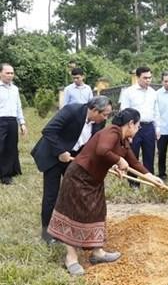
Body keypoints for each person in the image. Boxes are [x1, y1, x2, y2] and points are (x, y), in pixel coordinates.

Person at [47, 108, 163, 276]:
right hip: (79, 177)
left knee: (97, 212)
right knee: (73, 214)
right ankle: (71, 258)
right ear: (130, 124)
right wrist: (118, 160)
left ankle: (97, 252)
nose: (138, 130)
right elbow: (102, 150)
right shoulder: (112, 131)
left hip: (94, 181)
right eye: (137, 126)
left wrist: (151, 177)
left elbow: (133, 162)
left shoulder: (123, 141)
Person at [31, 96, 112, 244]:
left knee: (74, 191)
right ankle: (47, 233)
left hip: (73, 157)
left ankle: (71, 228)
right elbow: (48, 131)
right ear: (94, 110)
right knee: (52, 194)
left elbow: (93, 145)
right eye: (104, 114)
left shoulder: (99, 123)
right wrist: (60, 152)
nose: (106, 118)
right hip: (53, 155)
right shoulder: (72, 110)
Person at [119, 66, 160, 188]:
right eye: (145, 78)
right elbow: (124, 112)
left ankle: (150, 182)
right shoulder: (129, 92)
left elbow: (156, 111)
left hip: (148, 127)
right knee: (132, 156)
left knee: (149, 155)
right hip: (133, 129)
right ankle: (133, 184)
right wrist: (127, 132)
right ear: (137, 78)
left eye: (149, 78)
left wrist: (157, 128)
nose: (148, 80)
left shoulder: (153, 92)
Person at [0, 63, 27, 185]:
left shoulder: (15, 89)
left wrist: (22, 123)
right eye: (7, 73)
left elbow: (18, 107)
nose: (10, 75)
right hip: (0, 120)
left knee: (10, 148)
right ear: (1, 73)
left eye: (12, 73)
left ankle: (7, 174)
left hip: (12, 121)